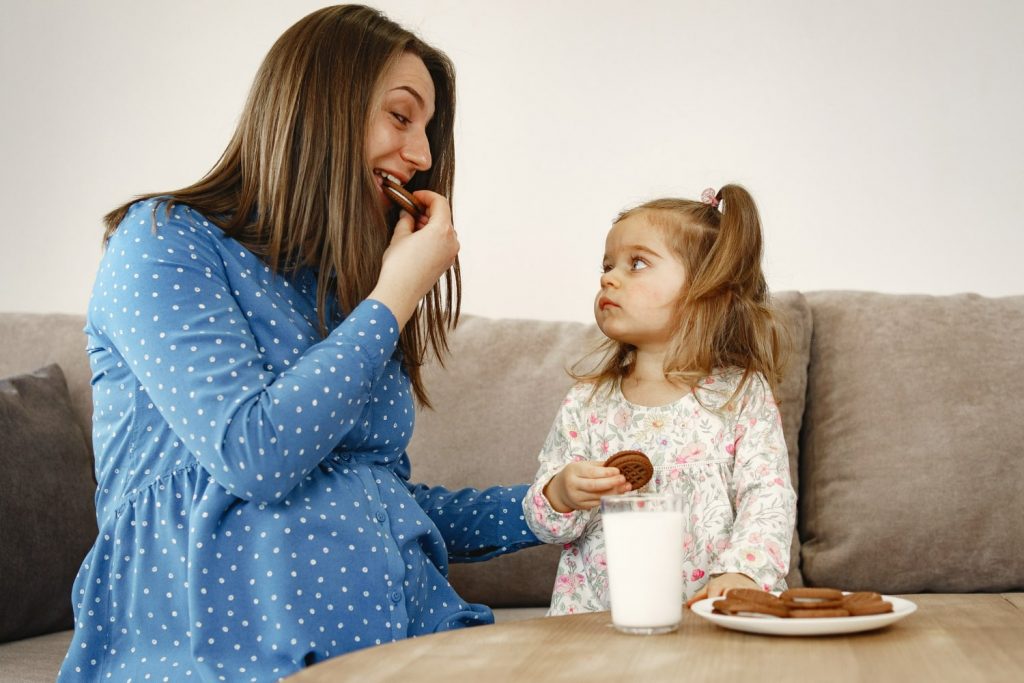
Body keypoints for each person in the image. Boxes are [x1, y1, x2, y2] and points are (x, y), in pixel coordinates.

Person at [59, 6, 540, 681]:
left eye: (428, 131)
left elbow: (375, 498)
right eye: (402, 118)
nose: (424, 157)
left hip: (413, 636)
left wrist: (540, 506)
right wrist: (393, 298)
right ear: (321, 108)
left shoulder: (342, 293)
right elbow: (253, 454)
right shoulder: (163, 242)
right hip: (223, 651)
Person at [524, 185, 796, 616]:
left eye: (637, 263)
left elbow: (769, 500)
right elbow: (547, 525)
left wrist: (743, 573)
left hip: (710, 618)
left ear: (707, 287)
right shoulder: (586, 404)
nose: (607, 278)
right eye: (607, 265)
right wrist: (561, 492)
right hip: (599, 626)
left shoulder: (742, 396)